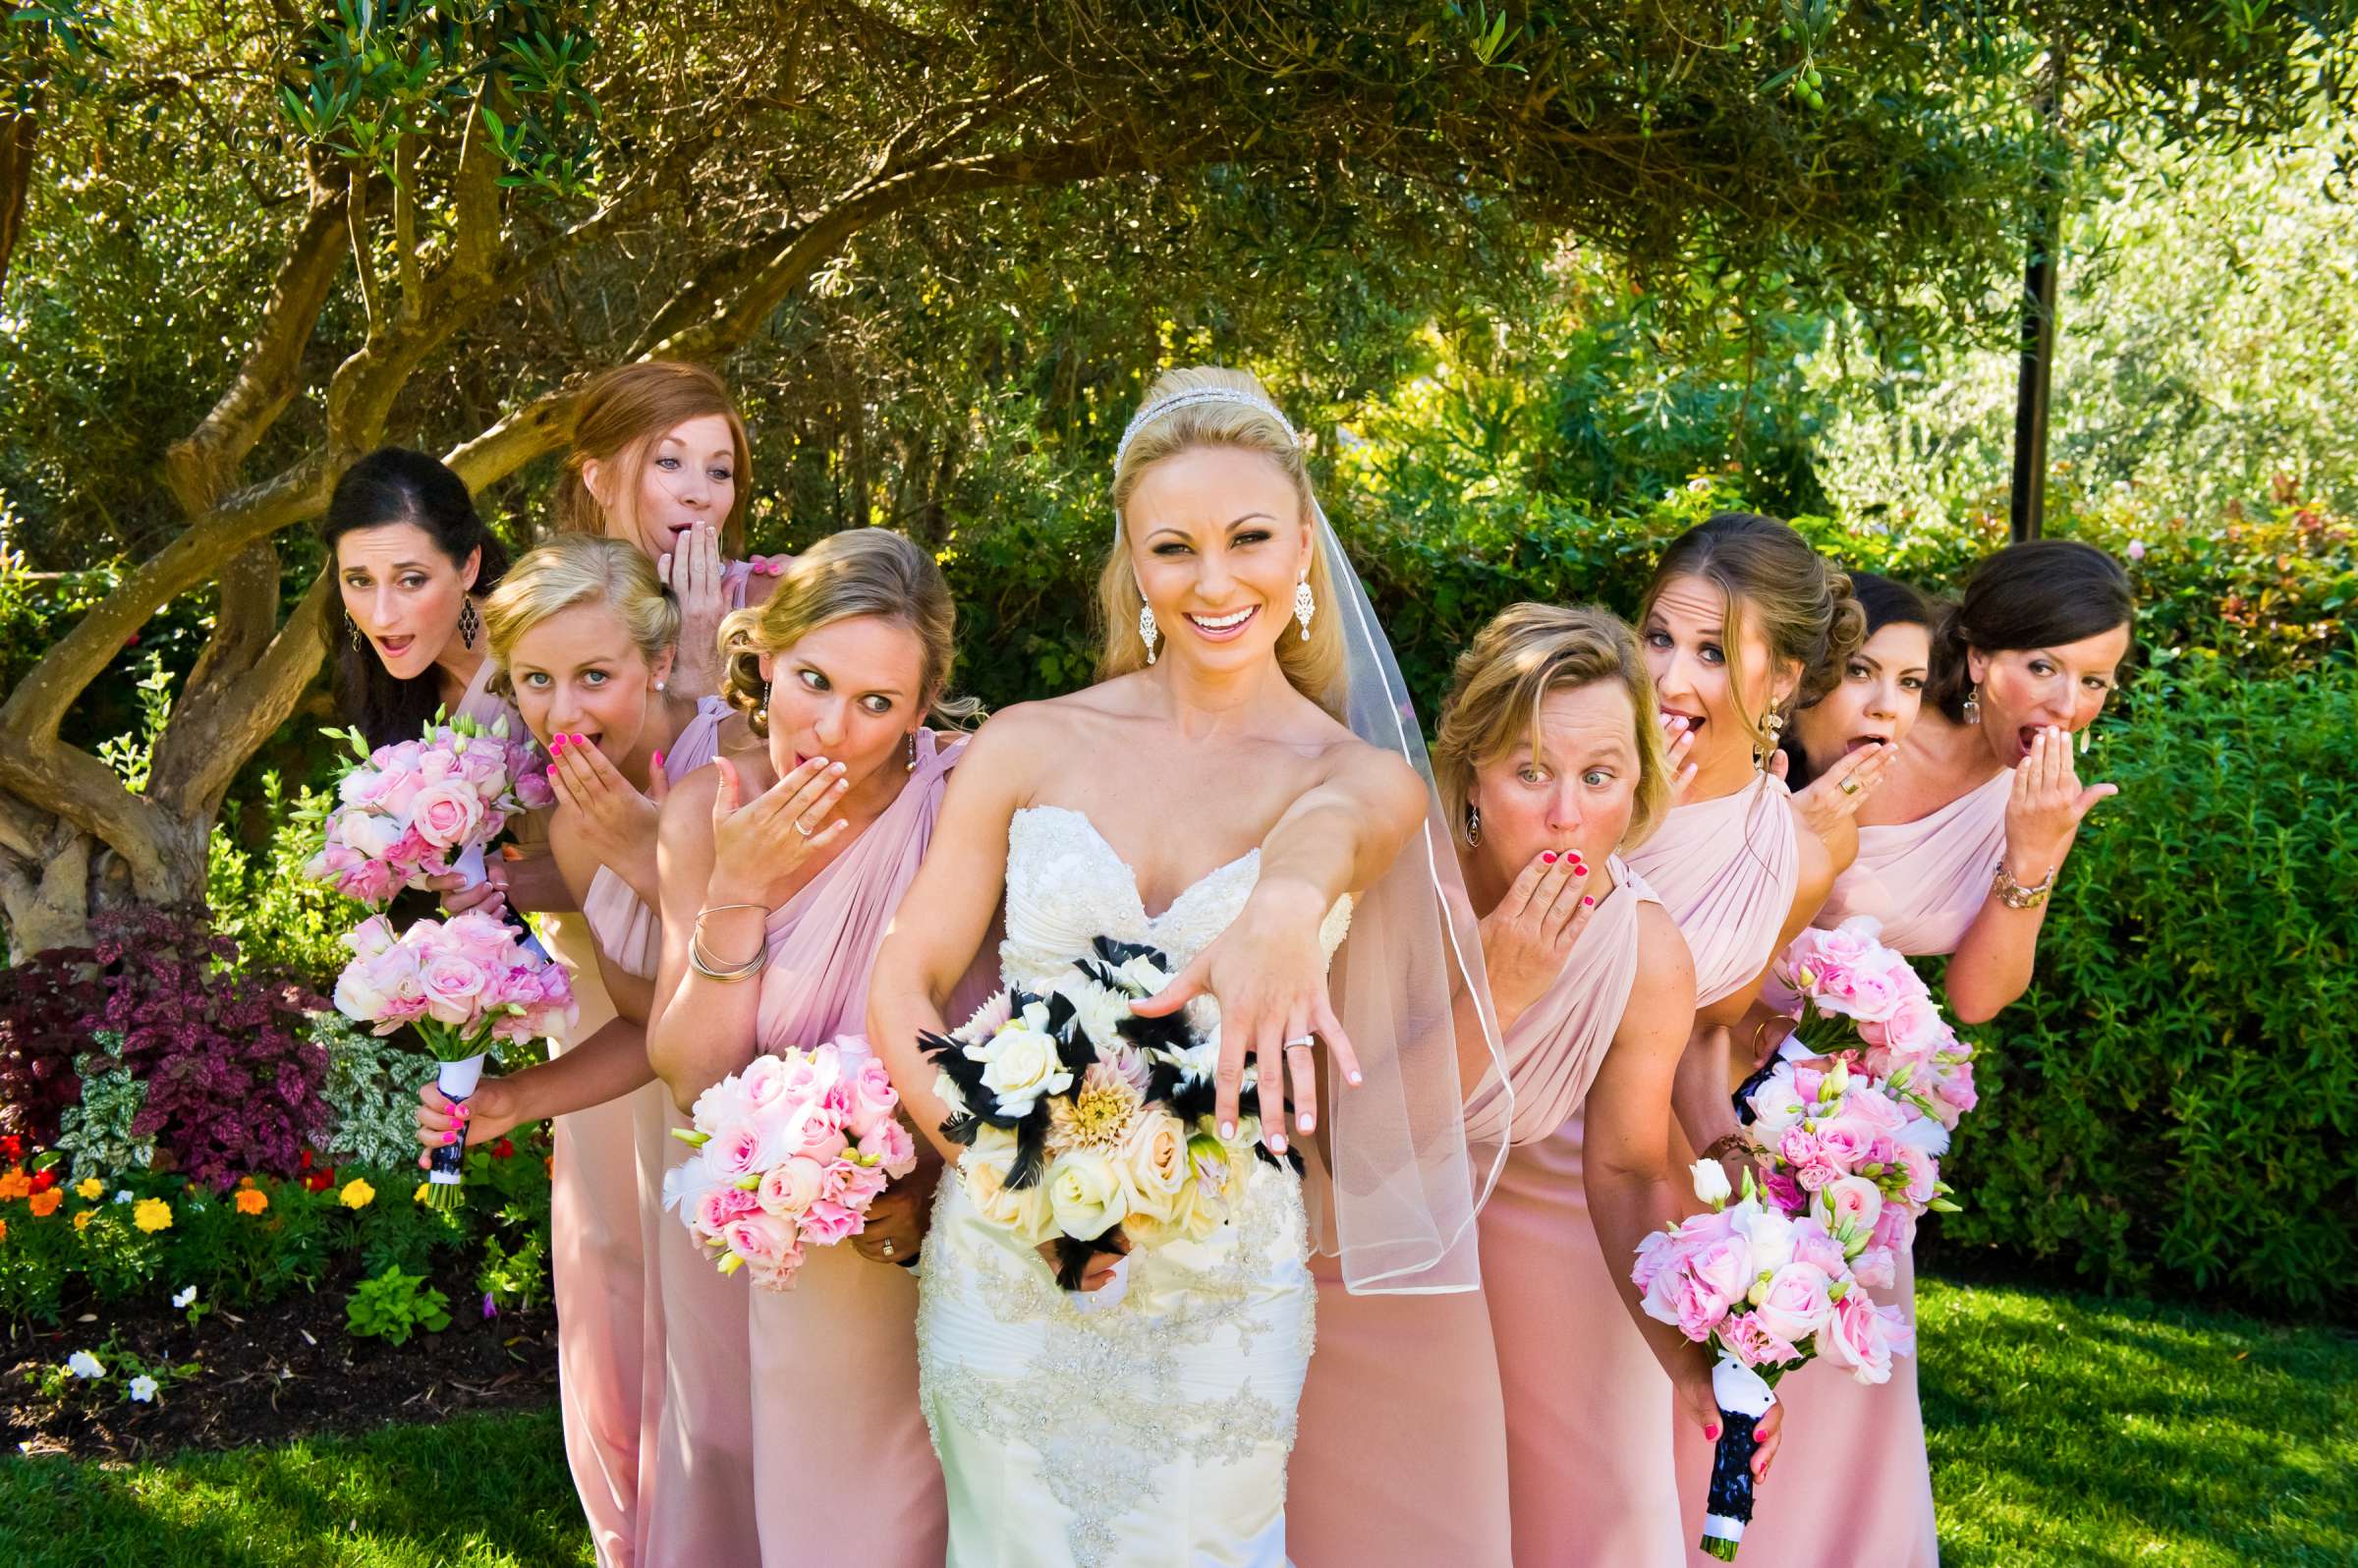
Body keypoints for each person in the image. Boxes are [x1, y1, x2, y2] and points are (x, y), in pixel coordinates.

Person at [867, 366, 1497, 1567]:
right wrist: (1009, 1174)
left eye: (1251, 538)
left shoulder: (1357, 777)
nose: (1217, 582)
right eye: (1176, 547)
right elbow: (904, 981)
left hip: (1219, 1281)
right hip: (1003, 1270)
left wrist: (1285, 904)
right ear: (1134, 565)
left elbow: (1335, 832)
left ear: (1303, 547)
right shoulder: (1029, 743)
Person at [1736, 540, 2132, 1568]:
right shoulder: (1869, 721)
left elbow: (1979, 995)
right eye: (2043, 667)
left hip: (1839, 1126)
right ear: (1978, 652)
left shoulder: (2038, 797)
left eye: (2096, 679)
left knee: (1829, 1375)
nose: (2069, 701)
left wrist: (2035, 856)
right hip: (1718, 1071)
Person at [636, 528, 991, 1564]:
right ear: (764, 657)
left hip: (934, 1229)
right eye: (812, 681)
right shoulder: (707, 809)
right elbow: (690, 1077)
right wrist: (737, 890)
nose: (832, 729)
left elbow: (1001, 1022)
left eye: (878, 704)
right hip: (776, 1245)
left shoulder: (963, 802)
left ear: (922, 709)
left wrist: (932, 1185)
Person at [414, 534, 717, 1566]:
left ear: (661, 662)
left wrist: (651, 850)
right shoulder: (578, 813)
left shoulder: (731, 770)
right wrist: (512, 1098)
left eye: (596, 676)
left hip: (787, 1119)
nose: (562, 711)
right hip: (685, 1100)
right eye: (537, 680)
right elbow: (654, 1022)